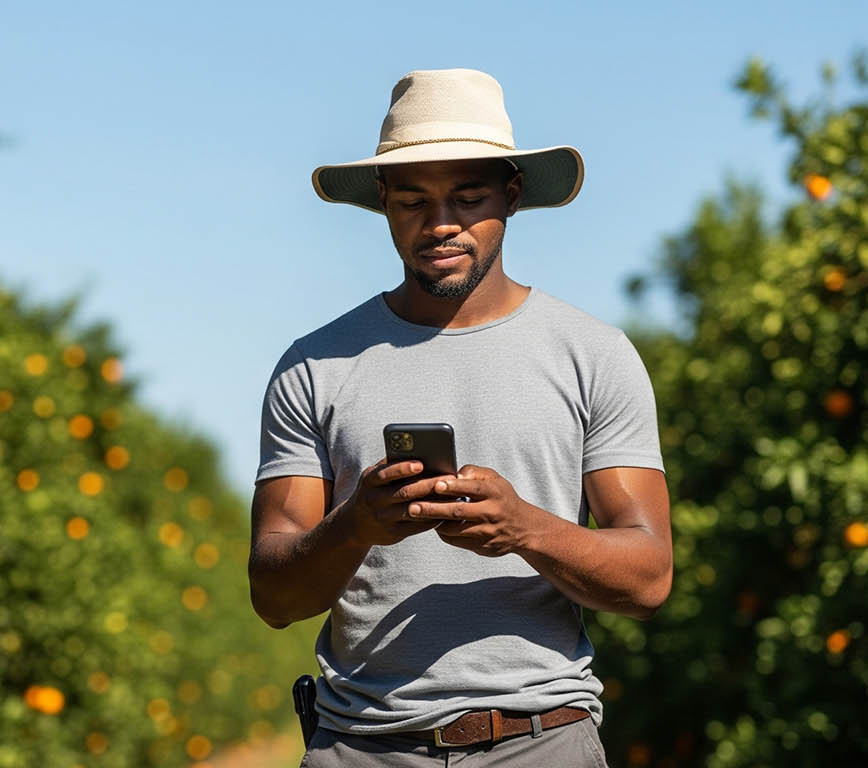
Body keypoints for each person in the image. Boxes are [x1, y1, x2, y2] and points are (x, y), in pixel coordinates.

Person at [249, 69, 672, 767]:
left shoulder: (595, 356)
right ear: (382, 202)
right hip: (362, 747)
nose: (440, 223)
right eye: (413, 200)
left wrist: (525, 528)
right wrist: (357, 525)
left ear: (512, 195)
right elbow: (273, 594)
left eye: (467, 198)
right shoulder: (314, 366)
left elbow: (650, 576)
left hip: (543, 740)